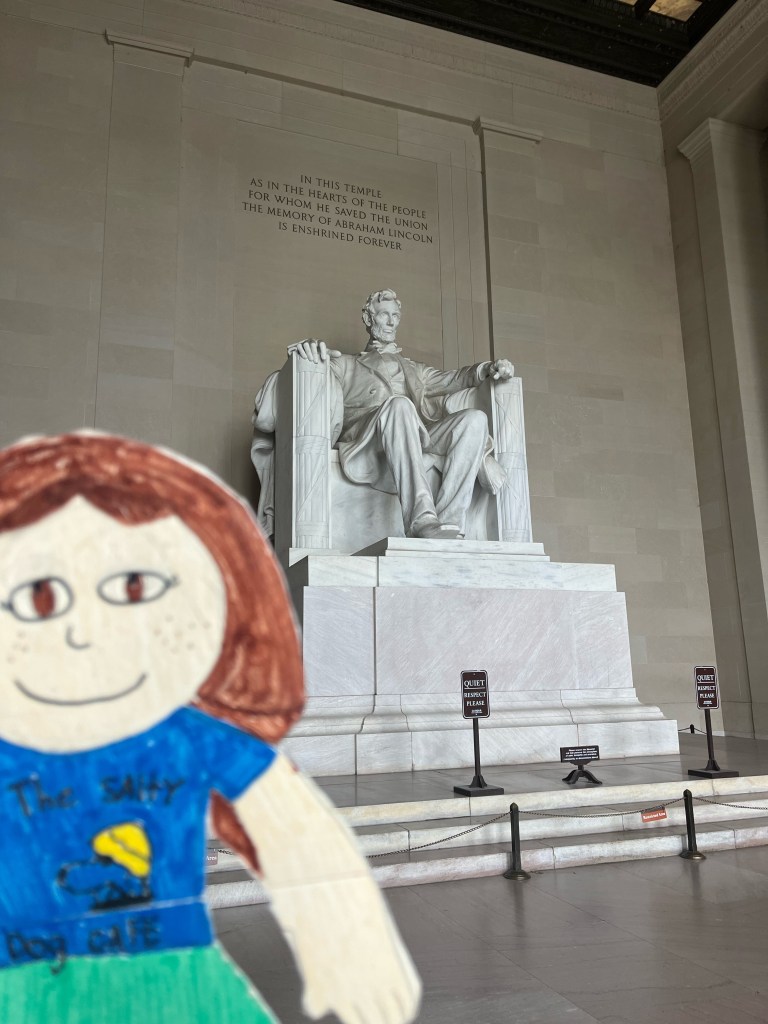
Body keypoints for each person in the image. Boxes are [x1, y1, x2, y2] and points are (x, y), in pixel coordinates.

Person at [0, 432, 420, 1024]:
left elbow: (295, 834)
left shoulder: (189, 741)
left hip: (178, 979)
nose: (85, 631)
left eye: (134, 588)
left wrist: (349, 948)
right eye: (40, 597)